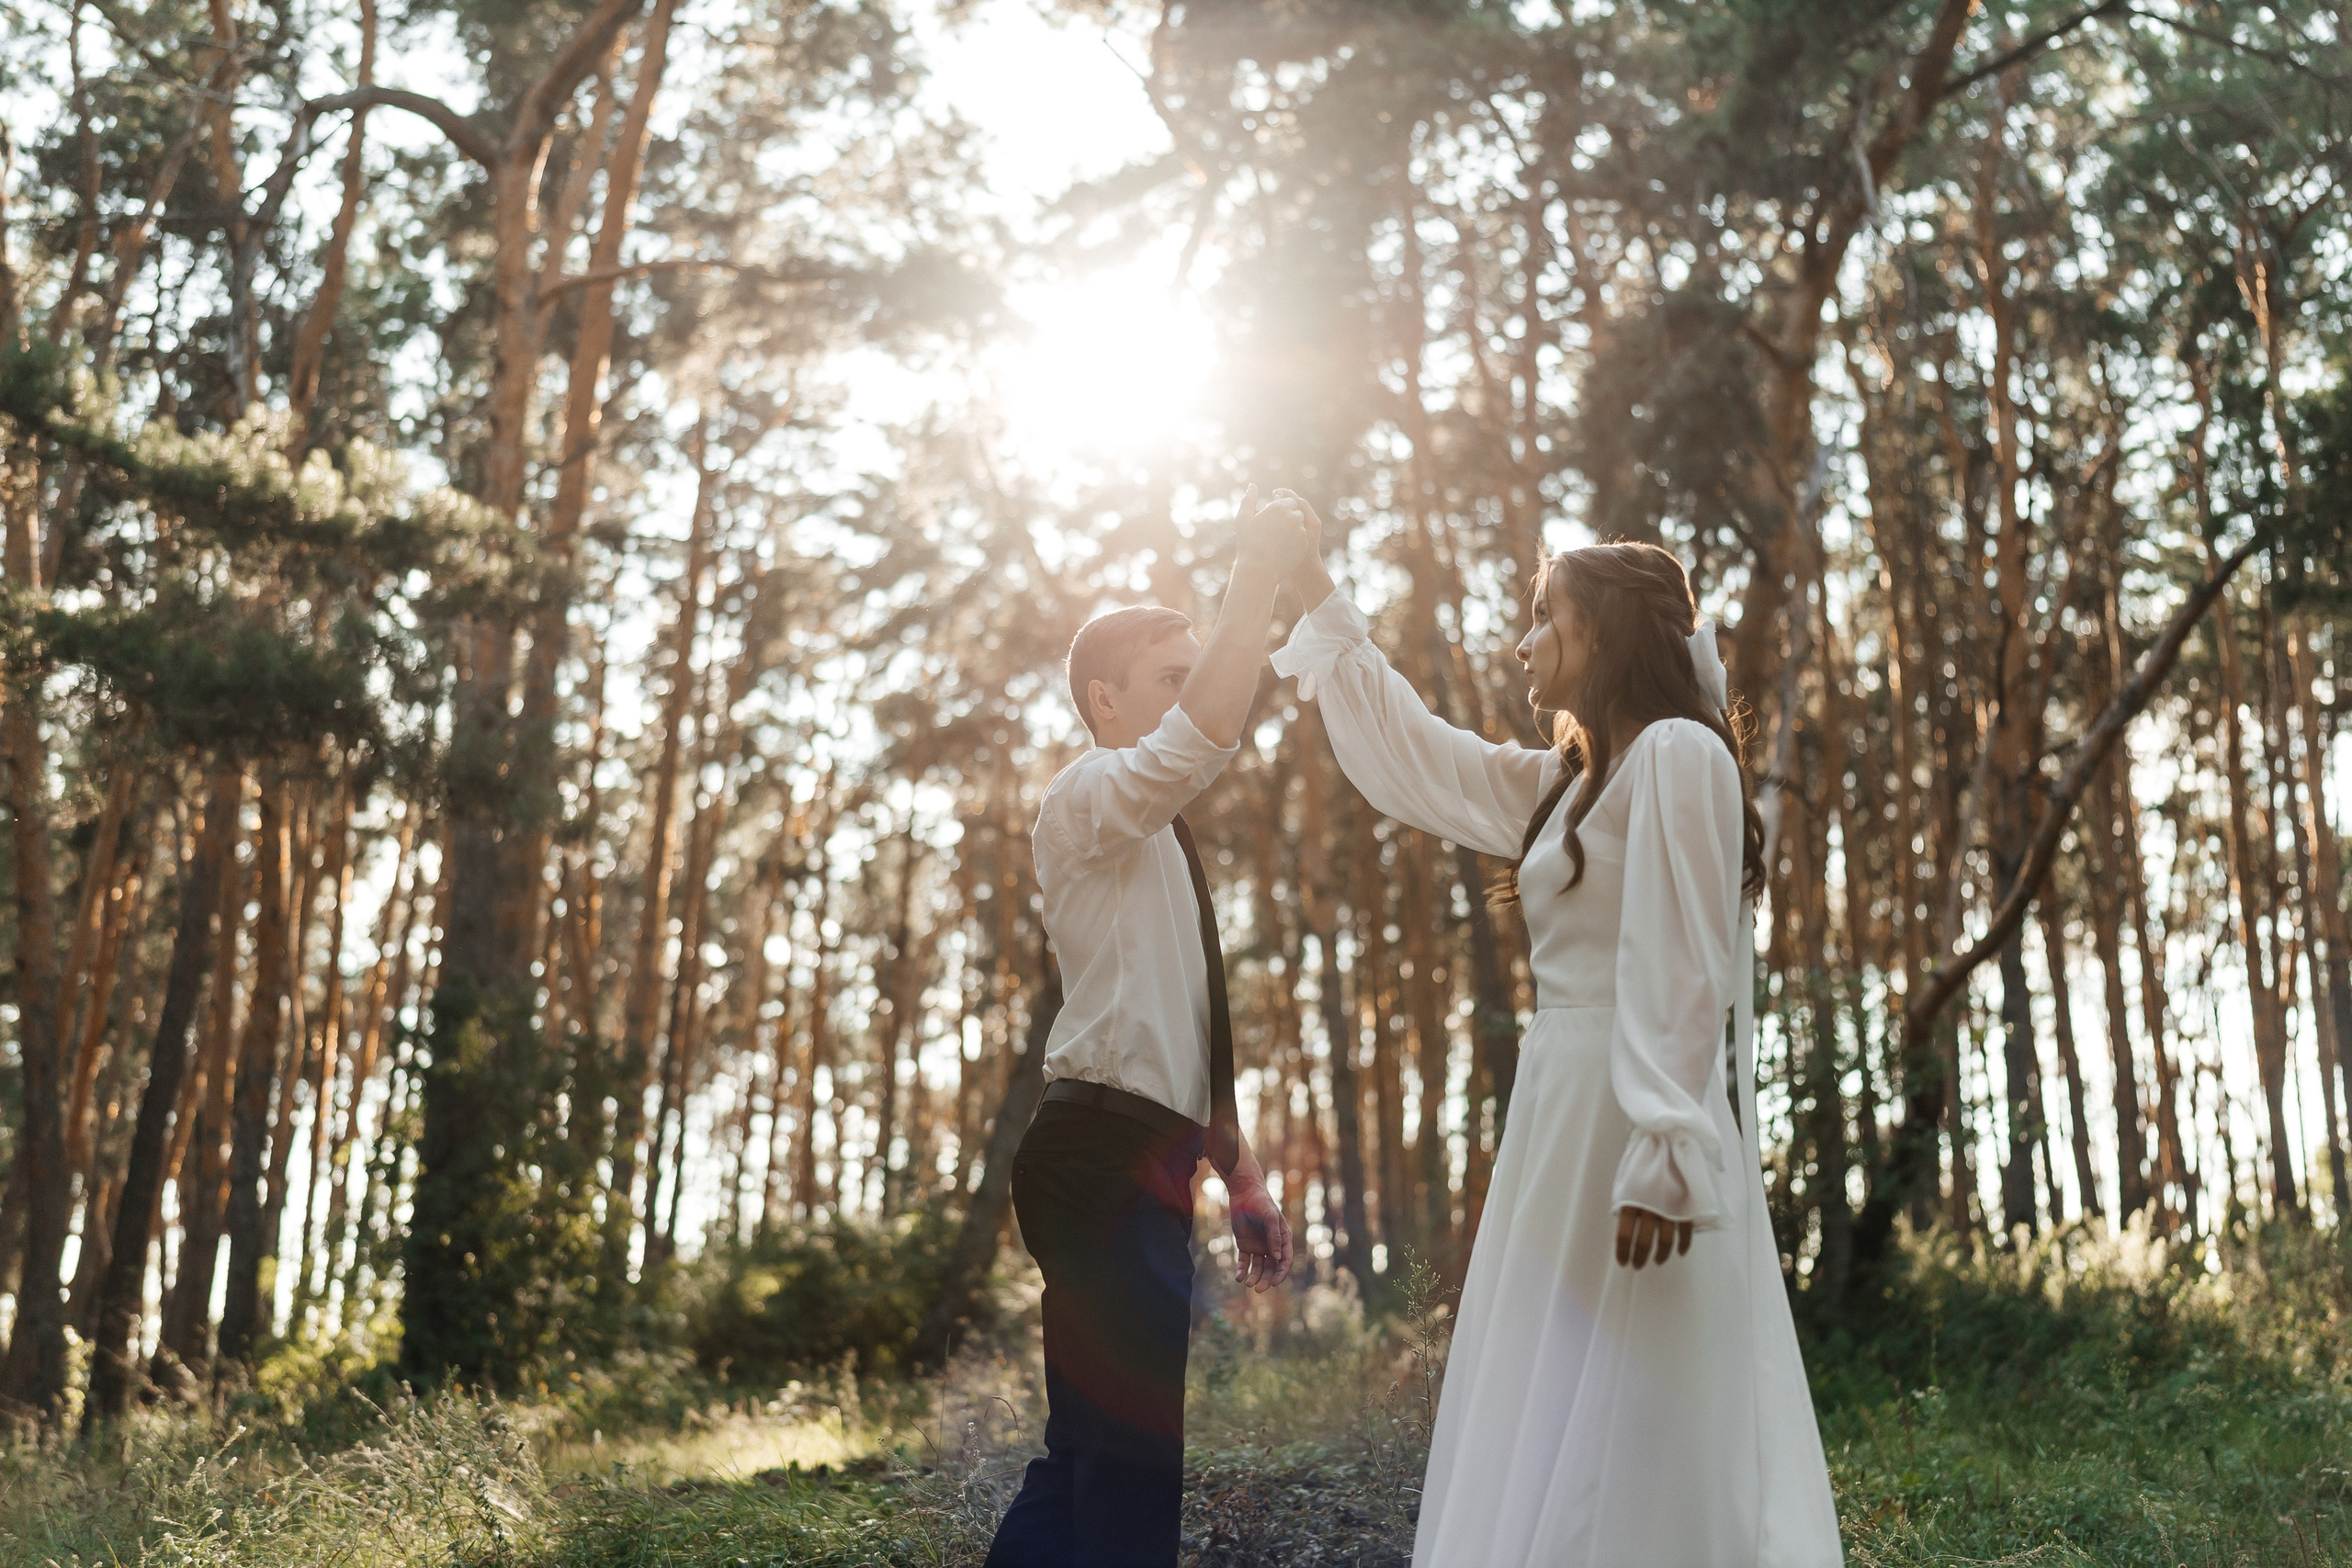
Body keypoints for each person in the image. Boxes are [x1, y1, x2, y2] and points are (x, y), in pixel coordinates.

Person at [1271, 498, 1844, 1567]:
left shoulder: (1679, 753)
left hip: (1632, 1119)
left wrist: (1667, 1148)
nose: (1522, 640)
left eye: (1545, 616)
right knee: (1543, 1392)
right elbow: (1417, 755)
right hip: (1556, 1116)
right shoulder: (1564, 788)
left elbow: (1685, 962)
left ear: (1606, 635)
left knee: (1642, 1408)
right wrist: (1311, 584)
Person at [983, 487, 1303, 1568]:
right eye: (1169, 680)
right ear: (1104, 700)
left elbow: (1189, 1029)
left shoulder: (1162, 844)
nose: (1194, 698)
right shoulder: (1087, 800)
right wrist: (1255, 577)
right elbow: (1203, 737)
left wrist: (1241, 1176)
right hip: (1095, 1151)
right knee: (1127, 1468)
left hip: (1150, 1156)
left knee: (1088, 1459)